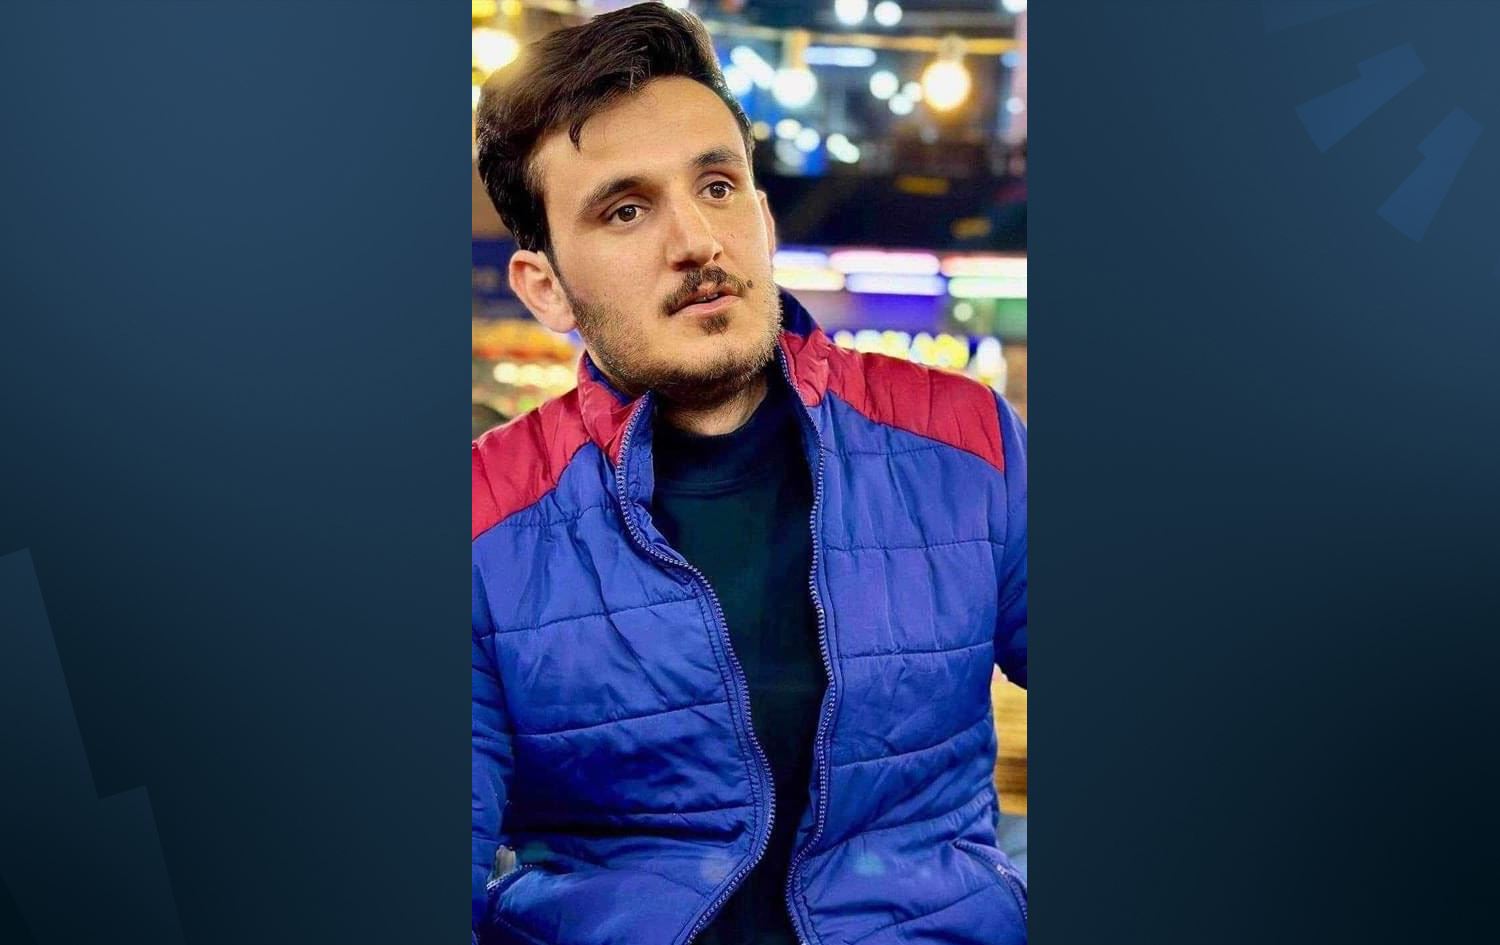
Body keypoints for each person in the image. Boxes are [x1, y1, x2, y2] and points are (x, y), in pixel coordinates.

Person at [471, 5, 1027, 943]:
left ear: (763, 219)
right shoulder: (484, 519)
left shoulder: (966, 443)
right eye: (626, 209)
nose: (697, 240)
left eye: (718, 186)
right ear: (545, 286)